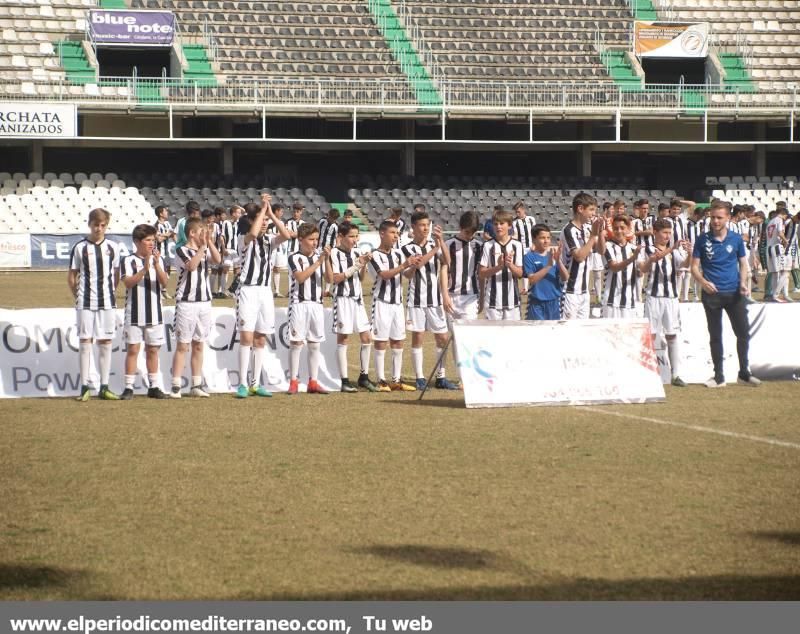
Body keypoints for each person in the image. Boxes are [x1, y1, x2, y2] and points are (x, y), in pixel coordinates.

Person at [691, 199, 761, 388]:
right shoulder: (702, 239)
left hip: (734, 294)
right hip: (712, 295)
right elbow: (694, 267)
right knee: (716, 336)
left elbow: (743, 264)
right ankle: (719, 376)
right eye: (713, 217)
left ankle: (744, 374)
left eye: (719, 217)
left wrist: (743, 283)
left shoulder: (736, 239)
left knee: (743, 334)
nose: (715, 221)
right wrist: (703, 282)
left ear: (728, 218)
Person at [234, 194, 289, 399]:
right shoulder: (244, 239)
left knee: (260, 338)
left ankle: (255, 384)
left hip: (265, 291)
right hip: (248, 290)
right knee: (246, 336)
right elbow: (254, 232)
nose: (265, 223)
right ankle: (241, 383)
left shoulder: (269, 240)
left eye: (266, 220)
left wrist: (270, 215)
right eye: (262, 219)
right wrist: (265, 208)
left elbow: (286, 235)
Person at [68, 208, 122, 401]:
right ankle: (84, 388)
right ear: (89, 224)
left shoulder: (113, 247)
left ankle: (104, 387)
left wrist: (111, 292)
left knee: (106, 342)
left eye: (102, 225)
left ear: (106, 225)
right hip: (85, 302)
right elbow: (72, 277)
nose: (99, 228)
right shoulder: (80, 247)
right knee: (85, 343)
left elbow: (116, 275)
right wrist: (78, 295)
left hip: (107, 302)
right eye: (95, 225)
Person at [401, 210, 458, 390]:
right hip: (416, 299)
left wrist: (440, 241)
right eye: (422, 225)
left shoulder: (436, 244)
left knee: (442, 337)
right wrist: (434, 249)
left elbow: (447, 261)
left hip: (434, 299)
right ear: (414, 227)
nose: (426, 228)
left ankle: (441, 377)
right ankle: (419, 377)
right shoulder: (408, 247)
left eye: (427, 225)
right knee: (418, 337)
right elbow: (417, 265)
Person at [170, 215, 221, 398]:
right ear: (192, 233)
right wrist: (202, 247)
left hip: (204, 302)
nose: (204, 235)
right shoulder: (181, 250)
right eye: (201, 232)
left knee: (199, 344)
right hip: (187, 303)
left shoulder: (204, 249)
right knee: (183, 345)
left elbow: (217, 259)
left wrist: (209, 243)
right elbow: (191, 266)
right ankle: (176, 385)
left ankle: (196, 384)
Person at [119, 224, 170, 400]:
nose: (151, 243)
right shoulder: (128, 260)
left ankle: (154, 386)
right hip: (134, 312)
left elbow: (164, 283)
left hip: (155, 312)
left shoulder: (159, 259)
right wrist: (144, 268)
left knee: (153, 350)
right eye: (147, 240)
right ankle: (128, 387)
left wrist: (156, 264)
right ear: (137, 242)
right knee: (133, 349)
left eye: (153, 240)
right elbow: (128, 283)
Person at [369, 221, 419, 392]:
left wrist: (413, 267)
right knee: (381, 341)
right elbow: (384, 275)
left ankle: (396, 380)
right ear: (382, 234)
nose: (396, 236)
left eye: (397, 233)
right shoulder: (374, 255)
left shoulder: (397, 254)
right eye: (392, 232)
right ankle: (381, 380)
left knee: (398, 341)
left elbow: (406, 275)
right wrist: (406, 264)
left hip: (397, 303)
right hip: (381, 302)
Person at [639, 219, 689, 387]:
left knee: (672, 334)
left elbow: (683, 265)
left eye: (669, 233)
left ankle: (676, 374)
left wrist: (690, 254)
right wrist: (672, 248)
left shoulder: (673, 251)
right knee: (651, 336)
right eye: (665, 233)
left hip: (671, 299)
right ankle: (649, 374)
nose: (668, 236)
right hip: (653, 297)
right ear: (655, 232)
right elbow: (643, 268)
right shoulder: (647, 249)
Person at [330, 221, 377, 393]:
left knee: (367, 337)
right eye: (351, 236)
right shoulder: (334, 253)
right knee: (344, 339)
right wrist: (358, 264)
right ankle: (344, 380)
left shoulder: (356, 252)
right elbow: (336, 278)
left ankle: (363, 377)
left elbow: (361, 278)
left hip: (357, 300)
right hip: (342, 299)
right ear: (341, 237)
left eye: (357, 236)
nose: (354, 239)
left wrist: (363, 263)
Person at [287, 224, 332, 395]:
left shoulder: (319, 257)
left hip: (317, 305)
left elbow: (329, 278)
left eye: (316, 239)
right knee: (297, 343)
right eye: (311, 239)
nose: (315, 243)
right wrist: (319, 261)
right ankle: (293, 381)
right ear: (300, 240)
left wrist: (326, 260)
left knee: (314, 344)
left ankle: (313, 381)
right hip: (299, 304)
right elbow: (300, 278)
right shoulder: (294, 257)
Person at [559, 193, 605, 319]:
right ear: (580, 209)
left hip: (585, 291)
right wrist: (592, 236)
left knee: (583, 331)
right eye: (591, 209)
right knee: (568, 330)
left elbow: (601, 251)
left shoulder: (587, 228)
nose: (594, 213)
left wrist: (600, 232)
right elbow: (579, 257)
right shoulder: (568, 230)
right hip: (570, 290)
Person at [479, 209, 524, 320]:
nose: (498, 227)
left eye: (502, 223)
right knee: (493, 336)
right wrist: (498, 267)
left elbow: (520, 274)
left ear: (509, 226)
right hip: (493, 301)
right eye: (496, 224)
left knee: (512, 336)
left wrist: (510, 265)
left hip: (512, 301)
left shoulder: (517, 245)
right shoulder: (487, 246)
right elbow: (481, 273)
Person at [441, 210, 483, 323]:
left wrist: (482, 297)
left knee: (468, 335)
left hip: (471, 296)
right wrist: (445, 295)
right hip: (451, 296)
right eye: (467, 232)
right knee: (454, 336)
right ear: (460, 227)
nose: (470, 235)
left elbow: (480, 273)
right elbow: (444, 270)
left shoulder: (479, 246)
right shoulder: (449, 244)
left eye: (473, 232)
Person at [600, 215, 641, 318]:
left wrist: (651, 261)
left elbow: (641, 271)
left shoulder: (634, 248)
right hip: (611, 301)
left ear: (628, 229)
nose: (619, 231)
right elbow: (614, 267)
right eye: (616, 228)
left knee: (629, 334)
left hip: (629, 302)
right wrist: (632, 258)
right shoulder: (608, 246)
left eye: (622, 228)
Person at [524, 224, 567, 320]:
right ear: (534, 239)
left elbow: (565, 277)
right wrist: (548, 266)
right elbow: (532, 279)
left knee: (554, 332)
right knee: (538, 332)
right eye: (542, 238)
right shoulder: (529, 257)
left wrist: (558, 261)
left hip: (554, 302)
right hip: (537, 303)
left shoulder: (553, 255)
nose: (546, 240)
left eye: (548, 237)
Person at [765, 205, 792, 302]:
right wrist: (786, 241)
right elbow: (780, 233)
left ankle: (774, 295)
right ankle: (776, 294)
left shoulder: (770, 222)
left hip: (768, 248)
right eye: (786, 216)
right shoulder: (779, 220)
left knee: (774, 274)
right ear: (783, 214)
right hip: (776, 247)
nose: (786, 218)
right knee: (785, 272)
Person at [511, 201, 537, 294]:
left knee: (534, 267)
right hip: (522, 248)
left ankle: (534, 287)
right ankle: (525, 289)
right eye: (516, 212)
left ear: (523, 210)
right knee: (526, 268)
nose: (517, 214)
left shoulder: (531, 219)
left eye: (518, 211)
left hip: (532, 247)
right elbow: (516, 235)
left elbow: (535, 233)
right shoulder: (515, 222)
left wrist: (535, 244)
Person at [219, 204, 242, 298]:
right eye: (238, 212)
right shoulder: (226, 223)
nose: (240, 214)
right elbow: (222, 236)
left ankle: (234, 291)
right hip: (228, 249)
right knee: (225, 269)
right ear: (233, 213)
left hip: (237, 250)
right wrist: (223, 248)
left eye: (240, 213)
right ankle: (223, 291)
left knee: (237, 271)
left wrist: (240, 208)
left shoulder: (240, 223)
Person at [267, 203, 289, 297]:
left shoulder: (281, 222)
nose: (282, 213)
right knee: (268, 268)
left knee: (277, 269)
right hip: (270, 248)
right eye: (281, 211)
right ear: (275, 211)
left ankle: (276, 291)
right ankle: (267, 289)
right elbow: (267, 234)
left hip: (279, 248)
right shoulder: (268, 221)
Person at [154, 205, 175, 297]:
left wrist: (163, 235)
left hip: (167, 252)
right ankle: (159, 290)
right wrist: (167, 234)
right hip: (159, 253)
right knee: (160, 272)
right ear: (161, 214)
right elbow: (158, 240)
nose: (167, 213)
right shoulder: (156, 225)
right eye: (165, 211)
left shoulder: (167, 224)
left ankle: (164, 290)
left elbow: (172, 234)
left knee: (168, 271)